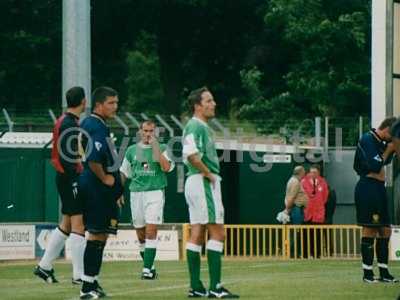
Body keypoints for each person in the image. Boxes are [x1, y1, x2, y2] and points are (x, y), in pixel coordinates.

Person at [182, 87, 239, 298]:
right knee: (218, 232)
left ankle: (196, 286)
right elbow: (191, 155)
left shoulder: (199, 126)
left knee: (197, 232)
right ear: (198, 106)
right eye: (208, 100)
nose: (213, 104)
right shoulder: (195, 126)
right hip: (202, 182)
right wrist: (209, 175)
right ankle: (215, 287)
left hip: (196, 181)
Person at [34, 86, 86, 284]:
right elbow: (67, 156)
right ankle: (78, 276)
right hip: (69, 177)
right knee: (78, 224)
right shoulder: (69, 124)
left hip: (65, 177)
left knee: (66, 223)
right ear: (84, 101)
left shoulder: (66, 121)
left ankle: (44, 266)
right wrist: (75, 178)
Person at [78, 86, 124, 299]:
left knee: (101, 235)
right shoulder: (95, 125)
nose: (115, 107)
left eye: (116, 102)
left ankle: (92, 281)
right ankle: (86, 287)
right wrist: (106, 178)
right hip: (96, 188)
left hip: (102, 190)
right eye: (111, 103)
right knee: (96, 234)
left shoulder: (97, 124)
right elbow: (94, 157)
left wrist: (116, 189)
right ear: (98, 105)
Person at [120, 120, 175, 279]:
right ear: (140, 131)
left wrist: (156, 147)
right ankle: (151, 267)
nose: (148, 134)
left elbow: (166, 168)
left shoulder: (163, 148)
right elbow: (124, 173)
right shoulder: (131, 150)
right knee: (141, 234)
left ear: (155, 132)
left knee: (151, 231)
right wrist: (118, 192)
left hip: (155, 192)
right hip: (136, 194)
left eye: (151, 131)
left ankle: (145, 270)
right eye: (145, 130)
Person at [353, 117, 398, 283]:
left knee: (385, 230)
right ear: (386, 129)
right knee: (370, 229)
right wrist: (390, 149)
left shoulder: (381, 142)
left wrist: (391, 149)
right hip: (368, 187)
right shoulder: (368, 139)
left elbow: (384, 161)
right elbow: (374, 165)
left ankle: (384, 272)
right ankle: (367, 273)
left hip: (379, 188)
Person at [302, 164, 329, 258]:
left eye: (314, 172)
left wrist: (319, 204)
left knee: (317, 235)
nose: (312, 174)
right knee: (305, 235)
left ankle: (316, 254)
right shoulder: (304, 181)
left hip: (318, 213)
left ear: (319, 172)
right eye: (311, 172)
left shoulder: (323, 182)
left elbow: (325, 197)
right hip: (307, 212)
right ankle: (305, 255)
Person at [283, 165, 307, 258]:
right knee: (296, 232)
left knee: (294, 231)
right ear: (301, 172)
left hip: (294, 208)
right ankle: (293, 253)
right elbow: (291, 197)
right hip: (296, 209)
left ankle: (292, 252)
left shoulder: (293, 181)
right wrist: (287, 209)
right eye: (304, 171)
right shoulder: (295, 182)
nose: (305, 173)